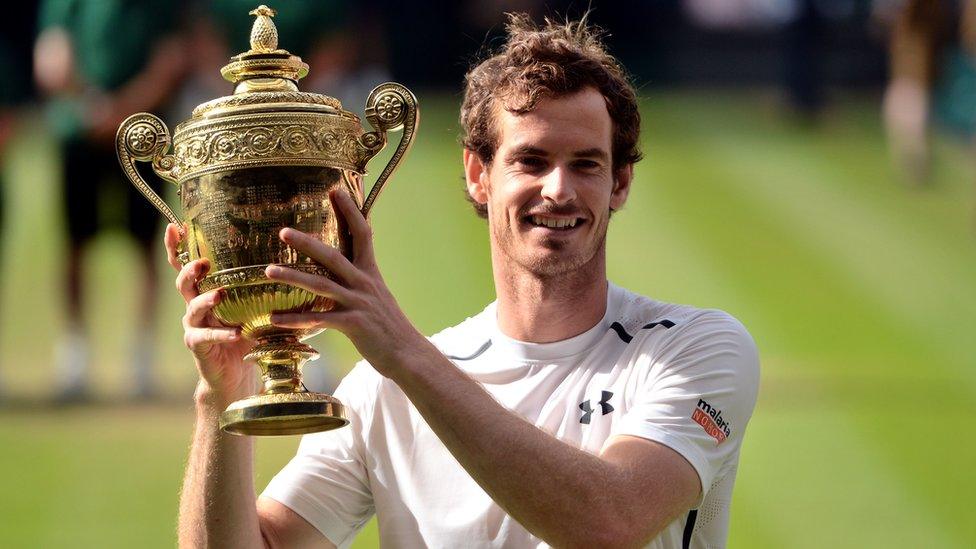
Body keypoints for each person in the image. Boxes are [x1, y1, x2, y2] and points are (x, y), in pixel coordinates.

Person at [171, 14, 759, 548]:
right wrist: (218, 397)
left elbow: (610, 524)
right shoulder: (385, 390)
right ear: (479, 175)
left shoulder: (694, 348)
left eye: (586, 163)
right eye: (531, 161)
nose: (559, 190)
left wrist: (401, 351)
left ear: (620, 183)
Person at [33, 0, 188, 399]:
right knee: (75, 244)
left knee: (148, 244)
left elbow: (169, 61)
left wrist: (123, 109)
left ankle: (141, 358)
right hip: (79, 132)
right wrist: (91, 104)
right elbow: (53, 59)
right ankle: (76, 357)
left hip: (141, 132)